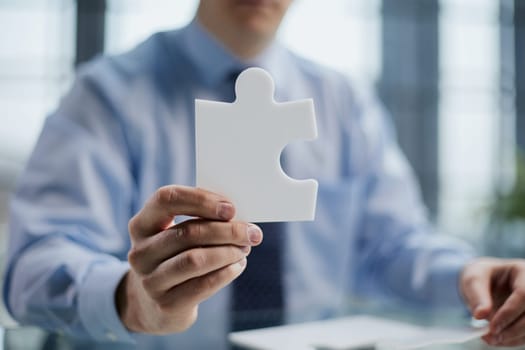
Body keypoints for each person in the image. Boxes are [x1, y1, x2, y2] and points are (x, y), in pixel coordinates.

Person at [5, 0, 525, 348]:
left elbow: (391, 245)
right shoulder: (103, 97)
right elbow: (32, 266)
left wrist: (468, 276)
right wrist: (131, 300)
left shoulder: (343, 100)